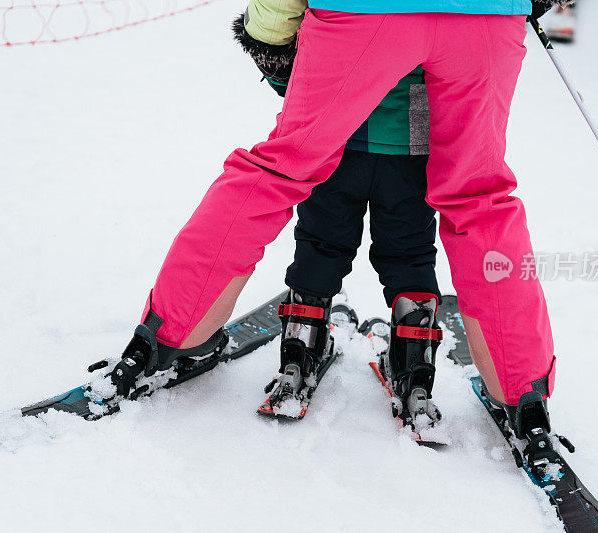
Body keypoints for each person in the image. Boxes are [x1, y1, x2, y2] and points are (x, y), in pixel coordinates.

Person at [111, 0, 563, 441]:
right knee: (478, 196)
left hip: (365, 12)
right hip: (484, 16)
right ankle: (522, 390)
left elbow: (274, 21)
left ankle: (169, 334)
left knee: (282, 167)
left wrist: (272, 45)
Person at [232, 8, 443, 427]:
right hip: (412, 135)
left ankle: (299, 358)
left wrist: (282, 77)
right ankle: (415, 376)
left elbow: (277, 20)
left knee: (321, 241)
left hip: (338, 126)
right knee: (410, 251)